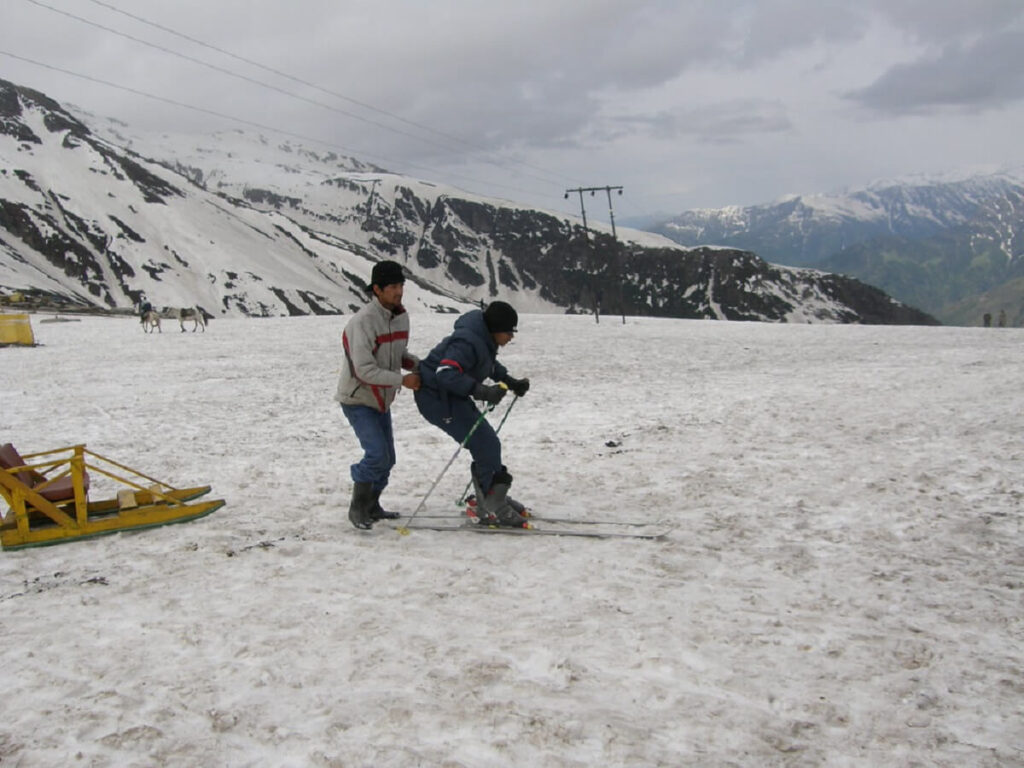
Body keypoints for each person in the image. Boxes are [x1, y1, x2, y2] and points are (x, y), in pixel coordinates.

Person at [415, 301, 531, 527]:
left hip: (450, 395)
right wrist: (483, 391)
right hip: (436, 398)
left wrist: (510, 382)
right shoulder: (467, 342)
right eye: (508, 331)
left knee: (488, 443)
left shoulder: (481, 339)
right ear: (496, 329)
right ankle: (489, 503)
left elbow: (488, 363)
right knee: (484, 443)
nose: (511, 337)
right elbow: (445, 373)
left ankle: (491, 497)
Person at [336, 260, 420, 529]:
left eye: (401, 285)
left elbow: (396, 354)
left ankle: (372, 504)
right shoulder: (362, 322)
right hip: (358, 398)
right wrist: (403, 380)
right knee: (377, 455)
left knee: (388, 458)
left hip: (382, 399)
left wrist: (415, 364)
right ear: (377, 289)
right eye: (393, 287)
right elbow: (364, 370)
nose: (399, 292)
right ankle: (357, 507)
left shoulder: (400, 317)